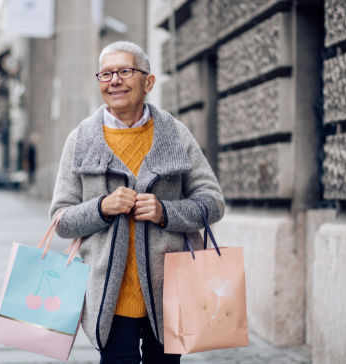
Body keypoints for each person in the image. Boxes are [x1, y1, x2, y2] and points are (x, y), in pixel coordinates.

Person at [50, 41, 225, 364]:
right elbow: (60, 220)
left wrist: (166, 212)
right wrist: (102, 207)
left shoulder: (176, 134)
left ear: (148, 82)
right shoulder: (80, 139)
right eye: (106, 74)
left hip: (171, 291)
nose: (114, 80)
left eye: (125, 71)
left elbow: (213, 202)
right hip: (111, 296)